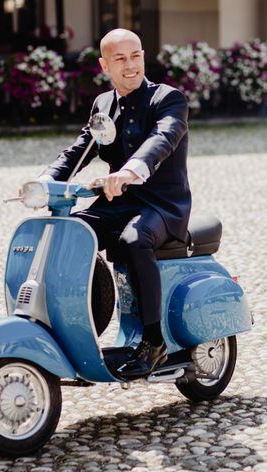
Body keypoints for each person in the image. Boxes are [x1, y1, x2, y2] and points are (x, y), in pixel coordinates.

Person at [38, 28, 191, 379]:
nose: (130, 65)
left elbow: (162, 139)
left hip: (162, 205)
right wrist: (46, 180)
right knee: (70, 232)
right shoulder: (102, 105)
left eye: (135, 55)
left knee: (132, 241)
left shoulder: (168, 99)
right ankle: (75, 327)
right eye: (120, 58)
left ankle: (154, 342)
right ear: (105, 65)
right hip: (119, 202)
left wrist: (129, 172)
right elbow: (80, 149)